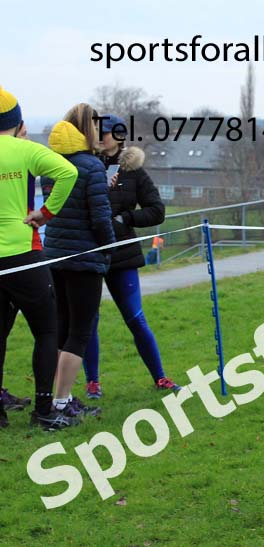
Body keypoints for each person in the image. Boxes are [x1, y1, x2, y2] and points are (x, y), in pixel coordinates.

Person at [81, 115, 180, 399]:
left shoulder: (134, 171)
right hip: (89, 254)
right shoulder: (85, 165)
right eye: (96, 132)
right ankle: (92, 383)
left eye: (105, 132)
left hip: (122, 255)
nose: (100, 137)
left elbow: (157, 210)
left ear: (119, 136)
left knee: (136, 319)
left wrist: (126, 218)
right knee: (88, 321)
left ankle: (160, 378)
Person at [0, 86, 81, 429]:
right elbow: (68, 173)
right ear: (19, 122)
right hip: (23, 253)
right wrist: (45, 214)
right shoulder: (26, 149)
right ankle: (44, 410)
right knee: (47, 331)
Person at [45, 103, 116, 420]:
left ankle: (59, 397)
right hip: (84, 258)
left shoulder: (52, 163)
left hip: (54, 255)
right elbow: (100, 217)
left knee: (62, 327)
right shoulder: (92, 167)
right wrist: (109, 247)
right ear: (87, 128)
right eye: (96, 126)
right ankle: (61, 402)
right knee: (80, 331)